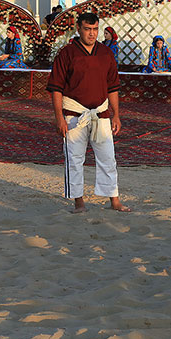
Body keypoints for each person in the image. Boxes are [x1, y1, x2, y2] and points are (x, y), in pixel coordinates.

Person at [47, 12, 130, 213]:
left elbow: (113, 86)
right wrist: (59, 118)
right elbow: (56, 88)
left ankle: (114, 200)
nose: (92, 34)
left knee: (108, 157)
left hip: (101, 113)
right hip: (74, 113)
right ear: (79, 29)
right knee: (74, 159)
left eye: (95, 29)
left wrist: (116, 114)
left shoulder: (105, 53)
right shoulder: (67, 53)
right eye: (87, 29)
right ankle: (79, 202)